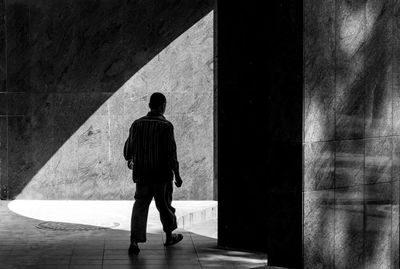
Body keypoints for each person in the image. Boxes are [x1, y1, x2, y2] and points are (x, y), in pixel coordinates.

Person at [123, 92, 183, 255]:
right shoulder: (166, 126)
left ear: (150, 105)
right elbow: (171, 153)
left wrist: (130, 158)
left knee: (140, 206)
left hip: (142, 174)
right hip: (161, 175)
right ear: (163, 105)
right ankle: (169, 236)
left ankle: (134, 242)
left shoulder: (137, 124)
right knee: (164, 205)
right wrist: (177, 174)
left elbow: (128, 149)